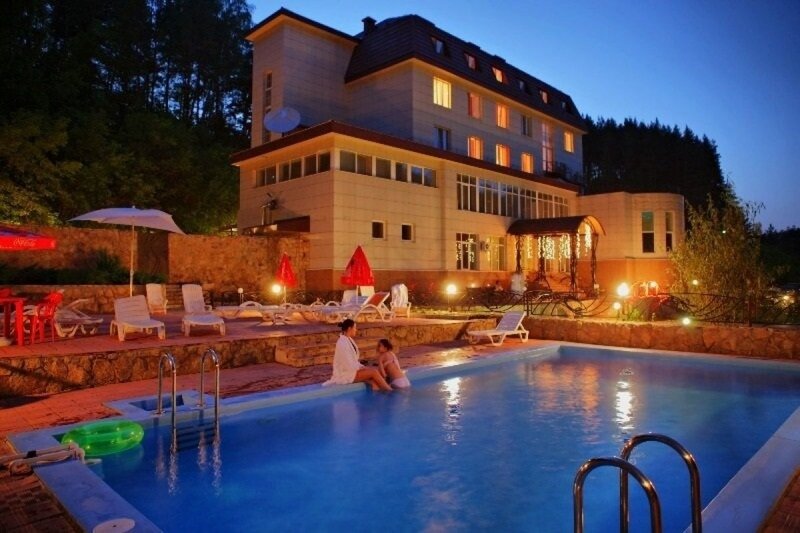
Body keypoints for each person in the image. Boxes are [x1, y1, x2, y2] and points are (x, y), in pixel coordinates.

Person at [323, 319, 392, 391]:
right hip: (346, 374)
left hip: (352, 370)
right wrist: (361, 369)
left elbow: (354, 361)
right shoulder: (342, 343)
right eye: (355, 328)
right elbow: (348, 364)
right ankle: (390, 391)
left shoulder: (348, 339)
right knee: (373, 372)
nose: (356, 330)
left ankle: (380, 392)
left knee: (374, 381)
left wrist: (362, 367)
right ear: (349, 328)